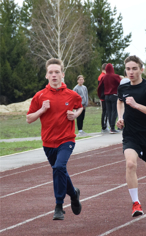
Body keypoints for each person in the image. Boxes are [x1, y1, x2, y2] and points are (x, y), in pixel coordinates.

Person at [26, 58, 82, 220]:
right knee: (60, 171)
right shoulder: (40, 96)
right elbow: (29, 118)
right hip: (48, 142)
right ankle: (73, 193)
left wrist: (75, 115)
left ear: (62, 74)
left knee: (58, 167)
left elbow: (80, 106)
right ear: (46, 76)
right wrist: (42, 110)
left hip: (67, 140)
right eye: (51, 72)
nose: (54, 75)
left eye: (57, 72)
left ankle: (59, 206)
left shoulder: (71, 94)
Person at [116, 55, 146, 217]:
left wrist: (136, 105)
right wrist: (120, 117)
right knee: (130, 164)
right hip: (130, 135)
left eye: (134, 68)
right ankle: (136, 203)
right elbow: (120, 102)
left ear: (141, 70)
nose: (131, 72)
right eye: (128, 69)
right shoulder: (123, 87)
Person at [98, 63, 121, 134]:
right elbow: (121, 84)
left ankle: (111, 127)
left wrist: (100, 96)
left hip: (106, 96)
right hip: (114, 95)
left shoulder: (104, 77)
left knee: (109, 112)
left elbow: (99, 87)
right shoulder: (115, 76)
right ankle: (112, 127)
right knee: (114, 111)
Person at [98, 63, 108, 133]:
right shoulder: (103, 76)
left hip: (103, 96)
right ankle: (104, 127)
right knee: (105, 112)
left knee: (105, 111)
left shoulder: (102, 76)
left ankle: (105, 126)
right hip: (104, 96)